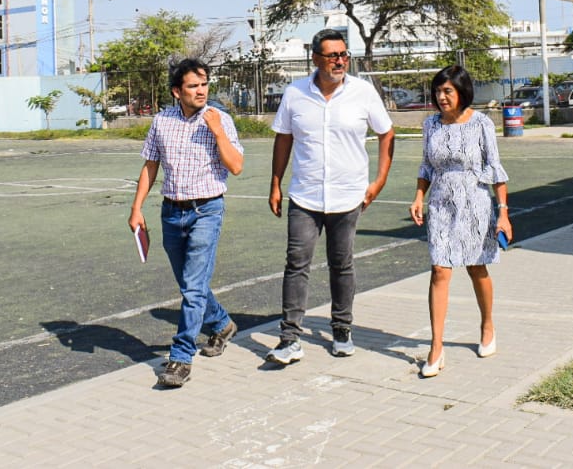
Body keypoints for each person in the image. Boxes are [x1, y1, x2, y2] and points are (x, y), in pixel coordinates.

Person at [265, 29, 395, 365]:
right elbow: (283, 139)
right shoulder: (295, 93)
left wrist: (379, 180)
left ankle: (341, 330)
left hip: (348, 195)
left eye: (343, 54)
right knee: (297, 264)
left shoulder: (363, 93)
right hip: (305, 197)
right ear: (316, 58)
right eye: (332, 55)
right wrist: (275, 182)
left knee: (342, 264)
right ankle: (289, 338)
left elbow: (386, 132)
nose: (339, 61)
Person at [128, 58, 243, 389]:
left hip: (207, 210)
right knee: (190, 284)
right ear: (177, 91)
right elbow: (151, 166)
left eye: (204, 83)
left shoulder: (220, 119)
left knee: (193, 287)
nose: (201, 90)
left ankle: (181, 357)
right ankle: (221, 324)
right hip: (171, 213)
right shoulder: (162, 122)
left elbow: (236, 166)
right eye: (193, 86)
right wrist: (136, 208)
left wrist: (218, 131)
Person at [408, 65, 512, 378]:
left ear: (462, 92)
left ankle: (488, 324)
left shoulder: (481, 123)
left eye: (448, 91)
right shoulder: (430, 125)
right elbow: (427, 166)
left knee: (477, 267)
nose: (441, 97)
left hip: (476, 202)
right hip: (440, 204)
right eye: (438, 91)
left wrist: (503, 212)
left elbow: (495, 169)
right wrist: (418, 197)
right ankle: (436, 347)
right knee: (439, 269)